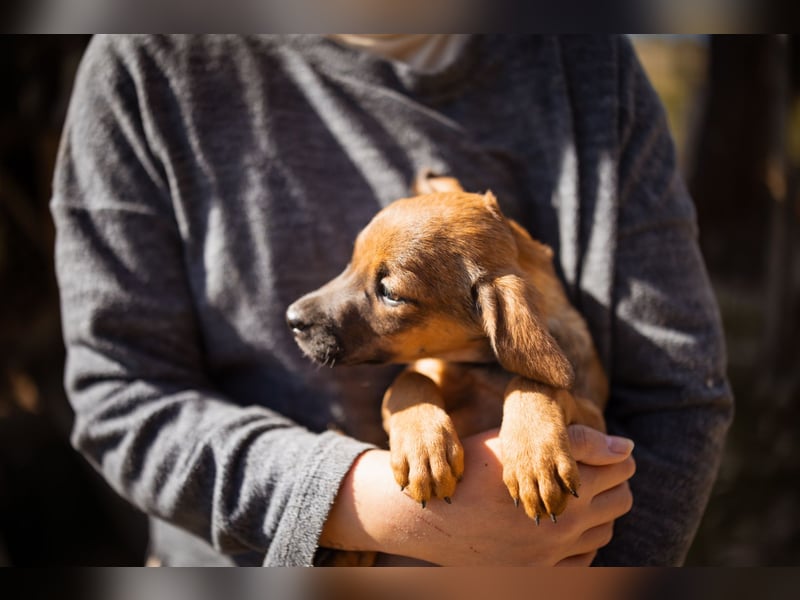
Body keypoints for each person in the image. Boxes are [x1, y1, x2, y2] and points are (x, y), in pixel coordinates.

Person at [51, 34, 732, 566]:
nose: (306, 307)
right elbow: (120, 392)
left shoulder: (587, 58)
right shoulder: (144, 65)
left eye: (386, 290)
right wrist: (359, 504)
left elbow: (679, 391)